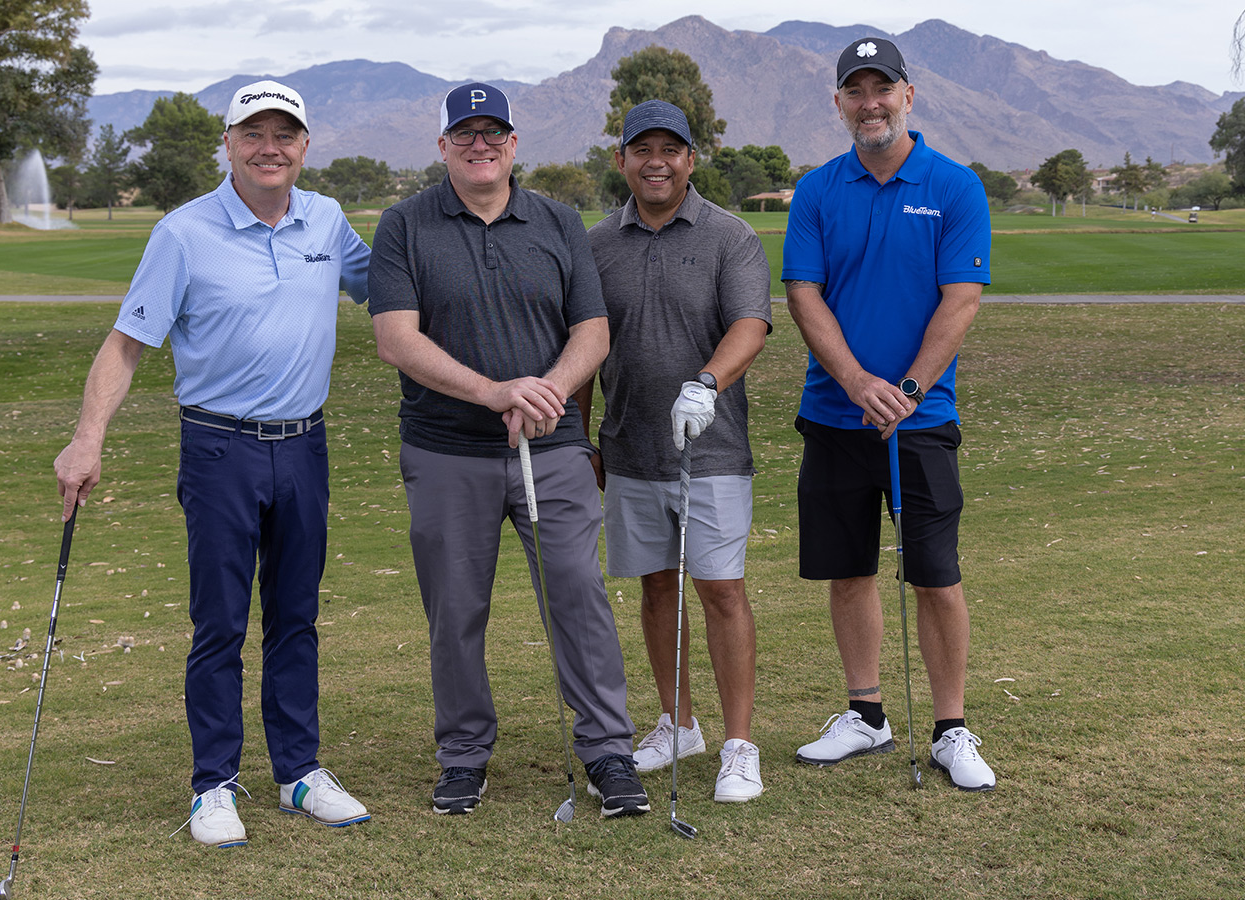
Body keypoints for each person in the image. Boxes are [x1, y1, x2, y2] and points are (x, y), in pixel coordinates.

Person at [53, 80, 373, 846]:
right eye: (253, 133)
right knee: (221, 622)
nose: (270, 147)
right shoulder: (182, 232)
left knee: (296, 617)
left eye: (284, 134)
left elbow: (393, 292)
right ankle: (214, 785)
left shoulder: (327, 220)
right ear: (227, 144)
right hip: (219, 446)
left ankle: (298, 772)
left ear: (304, 145)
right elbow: (127, 343)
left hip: (305, 445)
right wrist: (87, 436)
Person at [368, 82, 647, 818]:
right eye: (466, 134)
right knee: (455, 609)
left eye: (494, 133)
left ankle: (608, 751)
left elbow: (592, 331)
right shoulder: (404, 224)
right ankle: (463, 757)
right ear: (443, 147)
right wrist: (496, 392)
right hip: (445, 450)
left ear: (515, 144)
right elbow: (396, 338)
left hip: (550, 445)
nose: (480, 145)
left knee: (576, 594)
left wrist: (546, 390)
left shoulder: (557, 221)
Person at [781, 38, 997, 791]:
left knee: (936, 575)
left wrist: (903, 391)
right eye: (855, 90)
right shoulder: (816, 190)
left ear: (910, 94)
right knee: (849, 571)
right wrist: (856, 382)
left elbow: (960, 300)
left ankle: (951, 728)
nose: (870, 102)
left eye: (883, 88)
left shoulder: (955, 186)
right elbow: (803, 295)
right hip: (835, 417)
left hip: (922, 419)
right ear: (839, 102)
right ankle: (866, 715)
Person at [582, 100, 771, 802]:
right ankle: (677, 722)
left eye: (671, 149)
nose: (655, 161)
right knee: (658, 587)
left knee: (720, 591)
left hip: (711, 448)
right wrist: (579, 438)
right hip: (629, 449)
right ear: (622, 159)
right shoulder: (596, 243)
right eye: (642, 149)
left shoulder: (730, 237)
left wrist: (707, 382)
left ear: (692, 159)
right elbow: (583, 345)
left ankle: (739, 743)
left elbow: (750, 325)